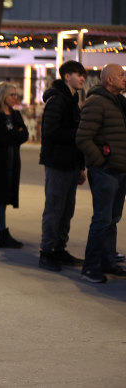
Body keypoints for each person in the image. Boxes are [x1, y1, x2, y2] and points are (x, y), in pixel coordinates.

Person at [75, 63, 126, 283]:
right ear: (109, 80)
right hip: (106, 172)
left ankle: (108, 262)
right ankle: (91, 266)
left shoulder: (120, 103)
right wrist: (101, 162)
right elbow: (83, 138)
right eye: (121, 75)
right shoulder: (96, 102)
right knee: (102, 220)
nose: (125, 78)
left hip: (120, 170)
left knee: (112, 219)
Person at [38, 60, 87, 272]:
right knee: (55, 209)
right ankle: (46, 252)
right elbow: (50, 131)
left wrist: (81, 166)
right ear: (67, 76)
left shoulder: (72, 99)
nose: (83, 78)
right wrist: (78, 134)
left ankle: (59, 248)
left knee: (67, 210)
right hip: (57, 162)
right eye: (79, 74)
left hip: (71, 163)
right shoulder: (57, 100)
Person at [0, 82, 29, 249]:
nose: (15, 98)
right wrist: (14, 134)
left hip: (12, 161)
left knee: (3, 199)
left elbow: (25, 135)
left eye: (16, 94)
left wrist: (12, 135)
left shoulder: (15, 114)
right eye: (12, 95)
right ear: (2, 96)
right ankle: (0, 233)